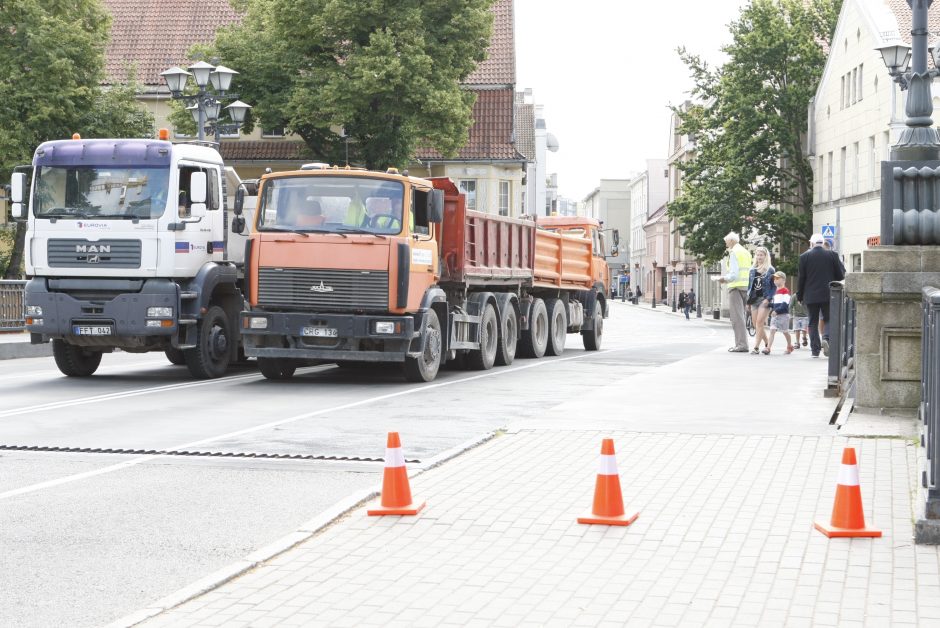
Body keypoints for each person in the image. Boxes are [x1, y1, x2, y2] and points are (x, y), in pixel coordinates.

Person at [797, 233, 846, 358]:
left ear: (811, 243)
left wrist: (799, 296)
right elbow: (841, 275)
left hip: (810, 295)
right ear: (823, 242)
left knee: (812, 322)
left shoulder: (804, 257)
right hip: (828, 294)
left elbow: (801, 278)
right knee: (828, 318)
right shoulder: (832, 255)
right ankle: (826, 338)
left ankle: (815, 350)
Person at [717, 231, 753, 352]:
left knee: (737, 317)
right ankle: (744, 344)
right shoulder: (746, 252)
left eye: (726, 242)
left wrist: (723, 279)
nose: (726, 244)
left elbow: (733, 274)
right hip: (745, 286)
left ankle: (741, 345)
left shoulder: (734, 252)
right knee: (744, 315)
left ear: (732, 241)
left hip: (735, 287)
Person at [746, 246, 776, 354]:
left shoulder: (770, 270)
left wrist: (768, 298)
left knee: (759, 322)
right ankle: (767, 343)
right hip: (754, 299)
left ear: (765, 256)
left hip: (764, 299)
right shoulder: (752, 269)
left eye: (761, 255)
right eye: (758, 255)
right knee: (755, 324)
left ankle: (756, 347)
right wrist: (747, 301)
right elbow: (750, 286)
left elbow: (774, 287)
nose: (759, 257)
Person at [765, 271, 793, 354]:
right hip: (775, 315)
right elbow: (774, 304)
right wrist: (768, 304)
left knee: (785, 332)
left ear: (783, 280)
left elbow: (785, 304)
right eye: (774, 278)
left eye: (777, 278)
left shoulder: (785, 291)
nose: (775, 280)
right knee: (772, 330)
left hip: (783, 315)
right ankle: (768, 348)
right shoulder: (775, 292)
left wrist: (777, 311)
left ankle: (789, 345)